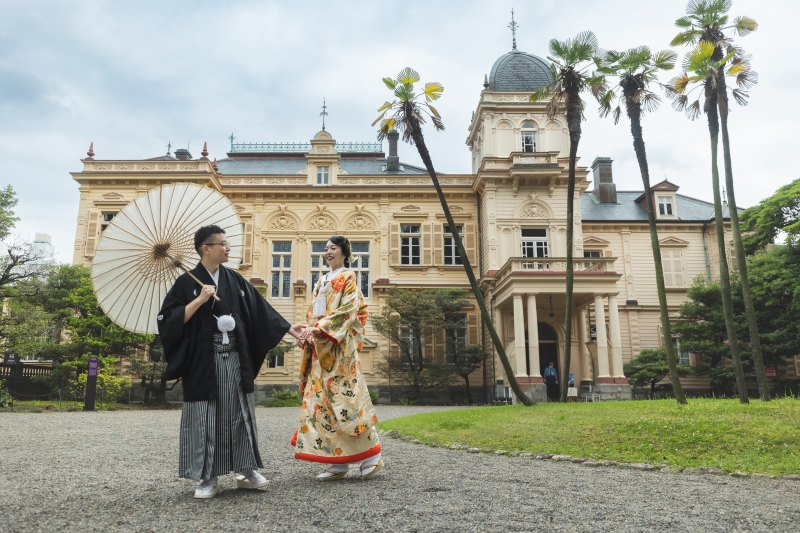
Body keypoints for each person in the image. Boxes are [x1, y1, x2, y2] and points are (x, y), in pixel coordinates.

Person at [158, 225, 304, 499]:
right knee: (205, 416)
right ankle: (206, 476)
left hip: (236, 358)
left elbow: (260, 312)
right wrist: (199, 300)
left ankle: (246, 470)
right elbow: (168, 322)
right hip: (203, 362)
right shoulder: (186, 284)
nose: (227, 248)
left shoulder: (234, 279)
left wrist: (287, 328)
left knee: (241, 413)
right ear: (206, 248)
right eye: (222, 244)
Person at [291, 236, 383, 480]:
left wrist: (320, 328)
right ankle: (337, 461)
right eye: (325, 249)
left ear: (344, 252)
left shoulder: (349, 277)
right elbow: (314, 313)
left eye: (333, 248)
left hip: (338, 349)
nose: (328, 252)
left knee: (346, 401)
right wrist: (309, 332)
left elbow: (350, 310)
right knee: (322, 403)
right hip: (320, 348)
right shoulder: (321, 280)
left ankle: (372, 456)